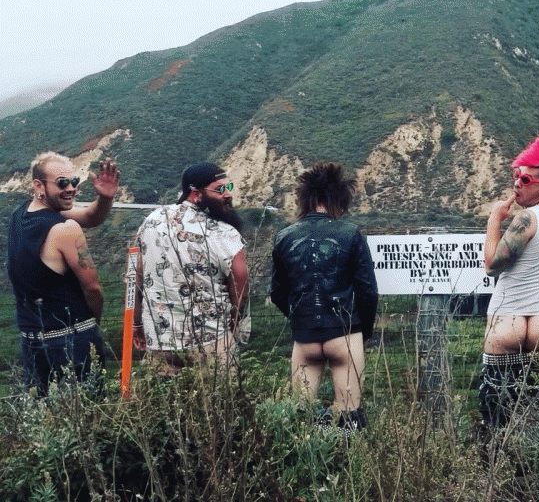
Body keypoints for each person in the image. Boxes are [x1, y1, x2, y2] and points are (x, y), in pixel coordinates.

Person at [271, 162, 378, 433]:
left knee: (299, 418)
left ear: (305, 199)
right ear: (339, 200)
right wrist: (363, 332)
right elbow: (367, 291)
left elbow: (277, 292)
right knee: (349, 417)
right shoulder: (350, 234)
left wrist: (299, 316)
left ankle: (309, 459)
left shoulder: (284, 237)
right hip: (344, 333)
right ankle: (346, 459)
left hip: (304, 336)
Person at [480, 131, 539, 429]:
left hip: (506, 322)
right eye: (517, 176)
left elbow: (492, 266)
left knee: (497, 421)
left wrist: (494, 220)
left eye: (525, 180)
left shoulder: (526, 218)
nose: (517, 184)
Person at [7, 151, 120, 396]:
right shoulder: (65, 229)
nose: (71, 189)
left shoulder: (20, 214)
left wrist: (105, 199)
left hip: (32, 342)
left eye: (74, 182)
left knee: (43, 414)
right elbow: (93, 288)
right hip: (72, 341)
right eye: (62, 183)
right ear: (39, 185)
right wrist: (92, 325)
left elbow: (91, 216)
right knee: (88, 411)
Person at [133, 162, 249, 374]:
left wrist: (137, 324)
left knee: (166, 395)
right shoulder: (224, 232)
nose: (228, 194)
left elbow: (135, 277)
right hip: (211, 340)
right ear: (196, 194)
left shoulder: (151, 222)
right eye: (220, 189)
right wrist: (232, 327)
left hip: (160, 340)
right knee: (219, 394)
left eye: (229, 187)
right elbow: (241, 284)